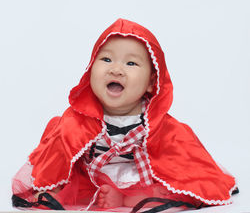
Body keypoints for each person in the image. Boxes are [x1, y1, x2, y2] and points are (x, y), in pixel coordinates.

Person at [12, 18, 238, 212]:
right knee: (61, 147)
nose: (116, 69)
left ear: (152, 83)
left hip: (142, 176)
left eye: (131, 63)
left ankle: (132, 198)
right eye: (106, 59)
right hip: (93, 175)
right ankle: (99, 192)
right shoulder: (77, 119)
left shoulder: (156, 125)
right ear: (91, 69)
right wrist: (53, 182)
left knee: (169, 186)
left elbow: (182, 150)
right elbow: (60, 150)